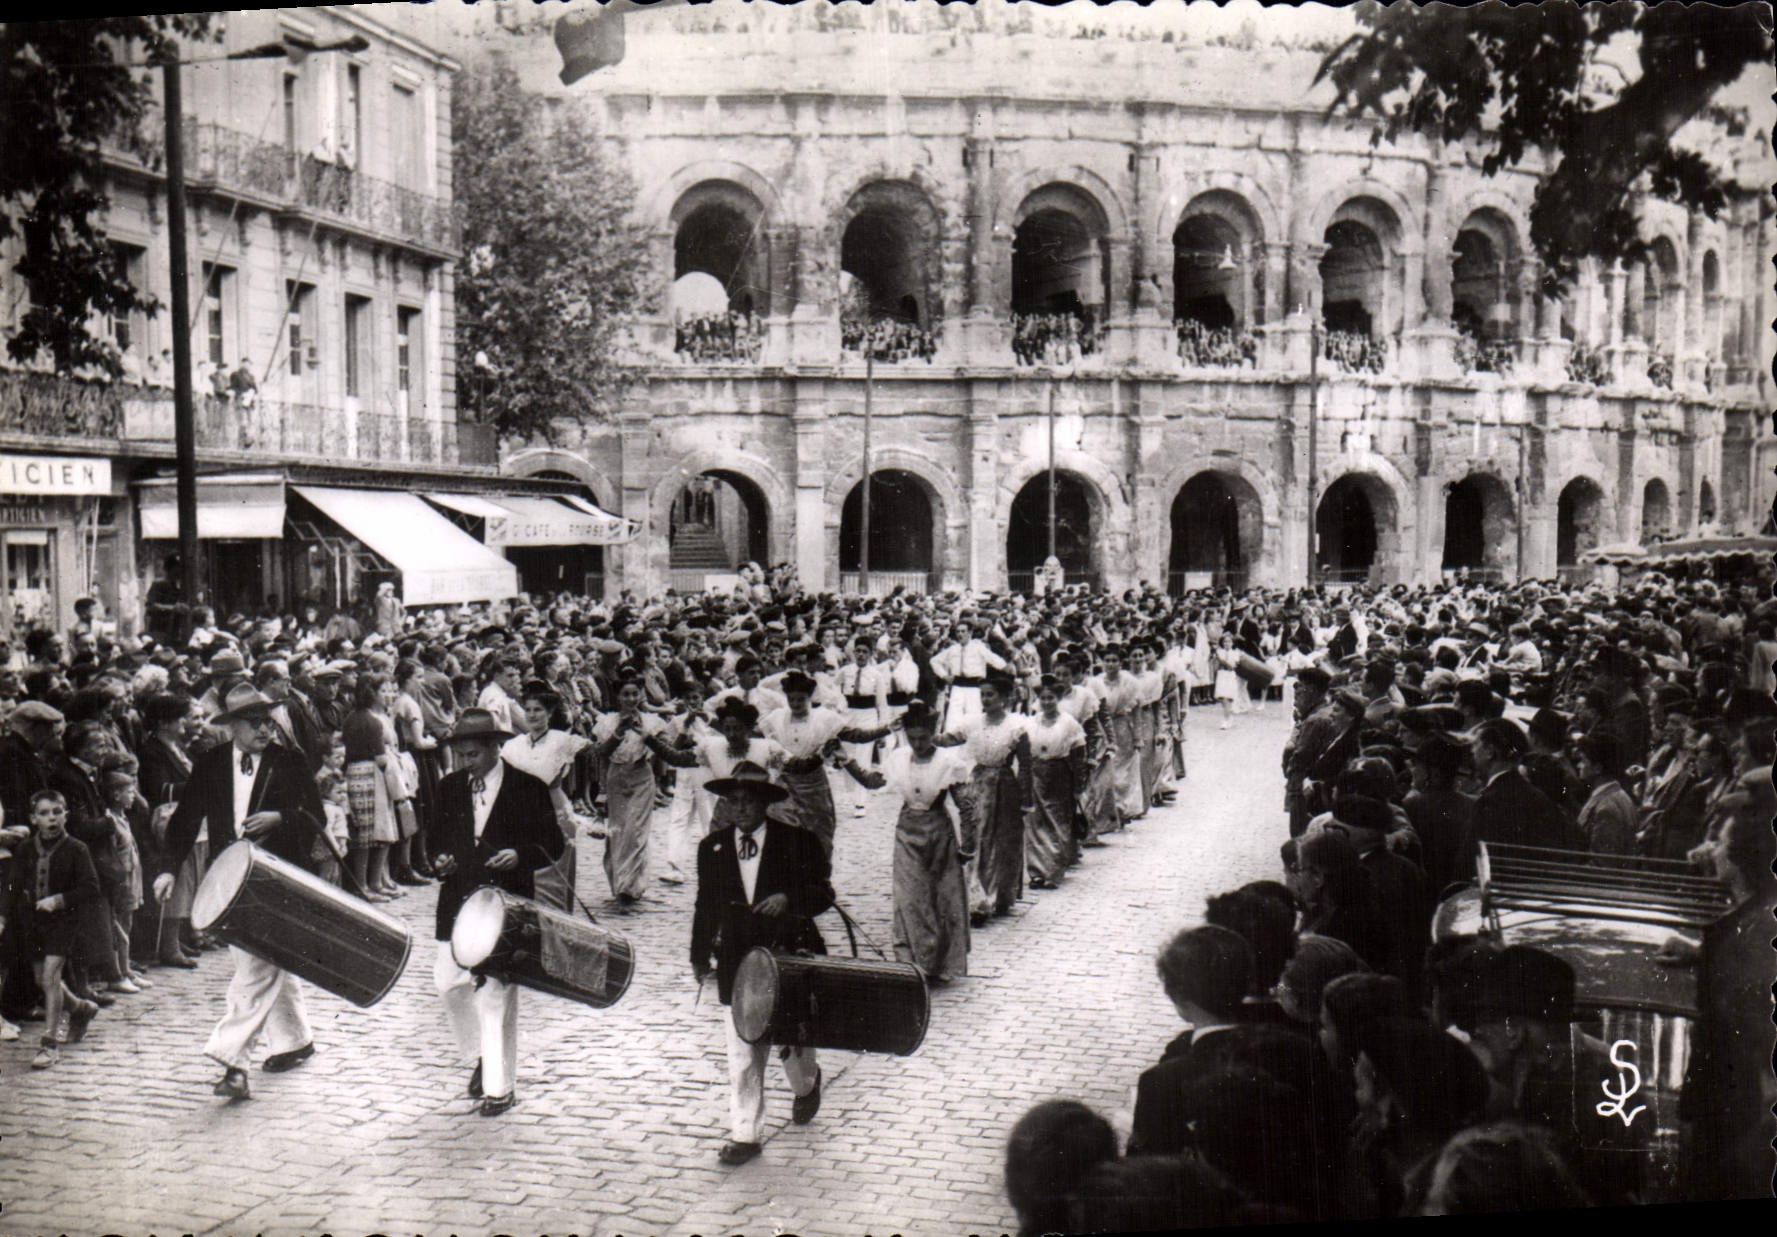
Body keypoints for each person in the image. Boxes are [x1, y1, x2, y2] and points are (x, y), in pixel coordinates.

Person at [151, 683, 327, 1101]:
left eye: (268, 721)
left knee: (256, 968)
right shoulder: (210, 763)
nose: (265, 730)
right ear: (233, 726)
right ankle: (293, 1040)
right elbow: (186, 819)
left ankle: (232, 1061)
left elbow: (315, 815)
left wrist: (279, 818)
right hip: (228, 877)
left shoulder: (289, 760)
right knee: (259, 960)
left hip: (278, 877)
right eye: (255, 723)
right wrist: (167, 871)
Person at [689, 761, 833, 1166]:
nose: (741, 809)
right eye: (733, 802)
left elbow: (823, 893)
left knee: (792, 1041)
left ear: (765, 804)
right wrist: (701, 955)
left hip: (787, 951)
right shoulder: (712, 848)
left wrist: (789, 899)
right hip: (737, 959)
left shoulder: (797, 842)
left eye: (748, 801)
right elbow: (705, 906)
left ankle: (807, 1085)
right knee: (743, 1048)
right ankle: (745, 1133)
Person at [429, 707, 563, 1118]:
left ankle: (499, 1089)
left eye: (471, 755)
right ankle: (483, 1056)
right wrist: (440, 860)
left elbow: (553, 843)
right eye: (459, 755)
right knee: (448, 982)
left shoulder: (528, 788)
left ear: (494, 747)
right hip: (458, 900)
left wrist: (519, 855)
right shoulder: (450, 787)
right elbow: (435, 839)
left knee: (494, 996)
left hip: (507, 904)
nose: (464, 763)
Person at [846, 701, 973, 985]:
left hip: (938, 832)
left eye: (923, 738)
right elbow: (872, 781)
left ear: (933, 734)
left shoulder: (949, 763)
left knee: (940, 896)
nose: (917, 743)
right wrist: (847, 762)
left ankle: (938, 961)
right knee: (909, 897)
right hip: (907, 831)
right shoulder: (898, 758)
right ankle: (911, 961)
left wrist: (968, 844)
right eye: (912, 738)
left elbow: (966, 805)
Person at [8, 790, 102, 1070]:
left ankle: (49, 1044)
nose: (51, 818)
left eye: (57, 812)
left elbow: (90, 887)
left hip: (64, 922)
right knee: (42, 979)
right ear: (33, 819)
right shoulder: (25, 848)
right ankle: (81, 1008)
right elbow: (12, 885)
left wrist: (59, 900)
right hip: (33, 922)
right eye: (44, 813)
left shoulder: (77, 849)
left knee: (50, 975)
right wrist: (3, 916)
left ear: (66, 816)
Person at [935, 673, 1030, 924]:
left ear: (1005, 698)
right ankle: (975, 898)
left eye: (991, 695)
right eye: (983, 695)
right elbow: (950, 739)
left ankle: (996, 895)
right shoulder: (974, 723)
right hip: (978, 782)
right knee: (976, 837)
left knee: (1000, 841)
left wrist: (1026, 798)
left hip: (1004, 787)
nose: (985, 700)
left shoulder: (1016, 726)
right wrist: (930, 732)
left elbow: (1026, 765)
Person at [500, 684, 588, 909]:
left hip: (552, 808)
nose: (531, 715)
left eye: (538, 709)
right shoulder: (513, 745)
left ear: (549, 713)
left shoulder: (561, 741)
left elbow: (587, 757)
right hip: (521, 813)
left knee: (554, 877)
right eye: (528, 710)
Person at [592, 672, 666, 906]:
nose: (631, 698)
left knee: (635, 831)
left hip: (642, 776)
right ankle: (618, 883)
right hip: (616, 776)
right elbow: (601, 753)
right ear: (618, 696)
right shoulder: (607, 721)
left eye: (635, 693)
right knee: (617, 831)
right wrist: (619, 732)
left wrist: (646, 734)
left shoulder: (650, 720)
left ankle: (630, 886)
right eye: (626, 694)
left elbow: (664, 748)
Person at [1021, 674, 1086, 888]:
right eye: (1043, 698)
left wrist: (1078, 784)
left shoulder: (1068, 723)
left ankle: (1053, 870)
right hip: (1036, 772)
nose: (1047, 702)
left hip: (1059, 773)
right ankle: (1037, 871)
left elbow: (1078, 754)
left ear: (1057, 699)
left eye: (1051, 698)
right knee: (1036, 821)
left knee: (1057, 821)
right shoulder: (1031, 722)